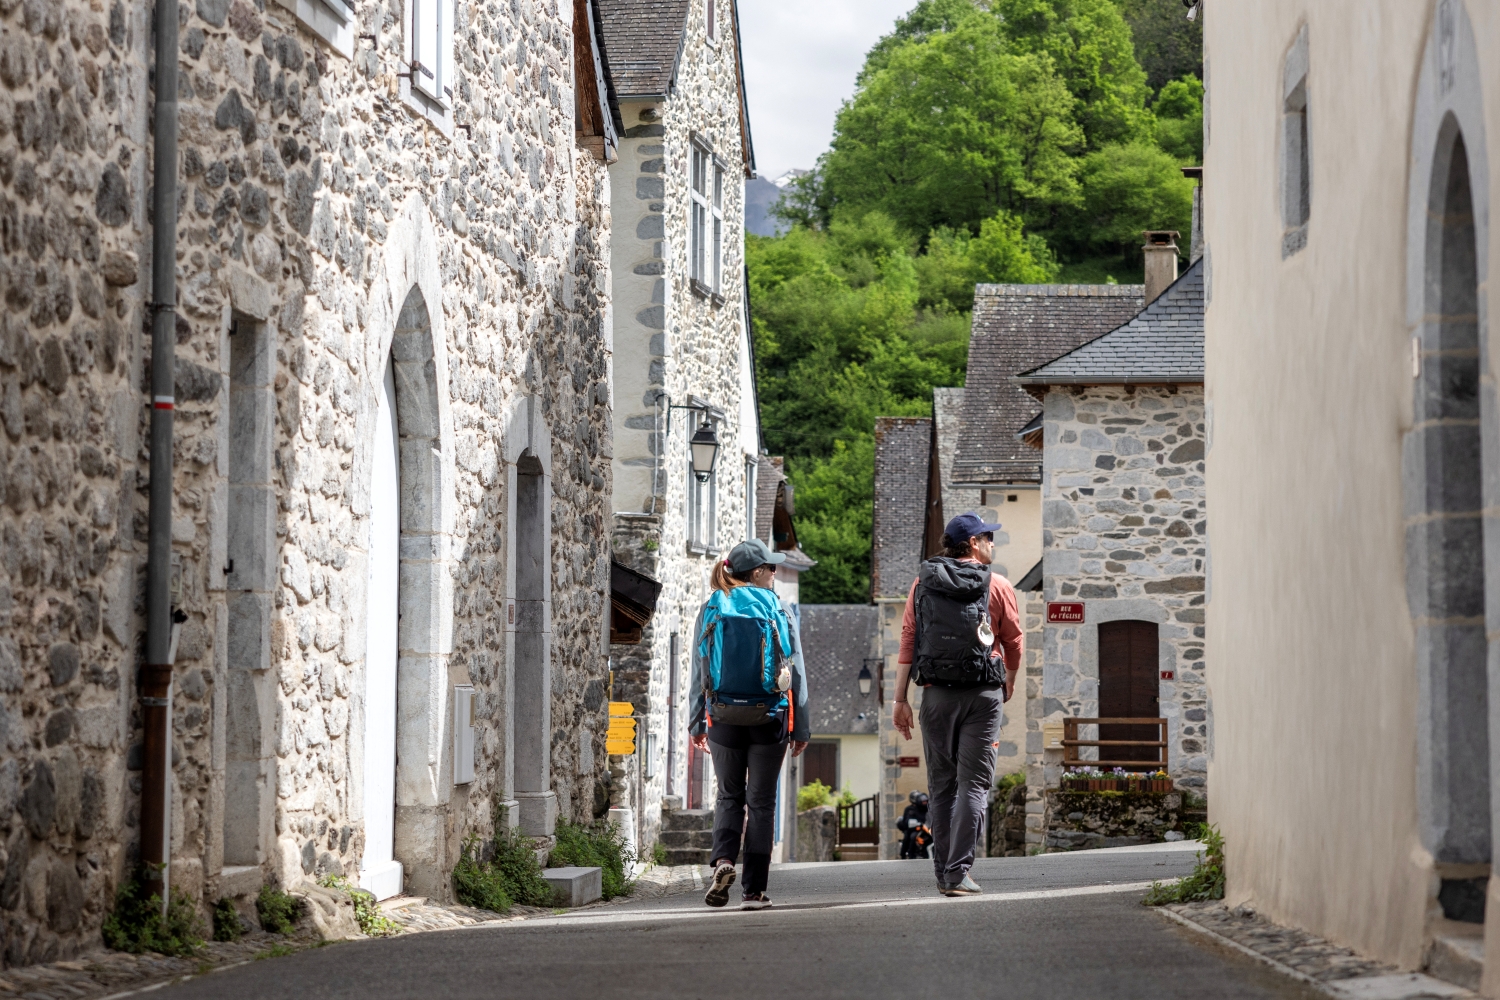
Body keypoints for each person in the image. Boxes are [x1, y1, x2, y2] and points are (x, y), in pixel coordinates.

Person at [892, 513, 1023, 896]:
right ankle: (957, 872)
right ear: (973, 543)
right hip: (983, 695)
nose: (992, 543)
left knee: (942, 786)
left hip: (936, 694)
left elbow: (908, 639)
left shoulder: (922, 583)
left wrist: (900, 699)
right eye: (987, 536)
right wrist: (1010, 678)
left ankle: (943, 874)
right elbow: (1013, 641)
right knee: (974, 784)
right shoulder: (998, 584)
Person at [689, 539, 810, 910]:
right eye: (771, 567)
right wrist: (801, 727)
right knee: (761, 803)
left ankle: (724, 861)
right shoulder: (779, 608)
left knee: (729, 796)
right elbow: (796, 672)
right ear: (757, 572)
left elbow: (699, 670)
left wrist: (697, 722)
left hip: (723, 716)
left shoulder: (712, 606)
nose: (775, 572)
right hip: (769, 717)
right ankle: (753, 892)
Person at [896, 790, 931, 859]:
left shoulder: (926, 808)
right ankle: (907, 854)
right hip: (914, 828)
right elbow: (907, 821)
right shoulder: (909, 809)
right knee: (911, 836)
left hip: (926, 828)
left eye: (925, 801)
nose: (924, 802)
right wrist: (918, 824)